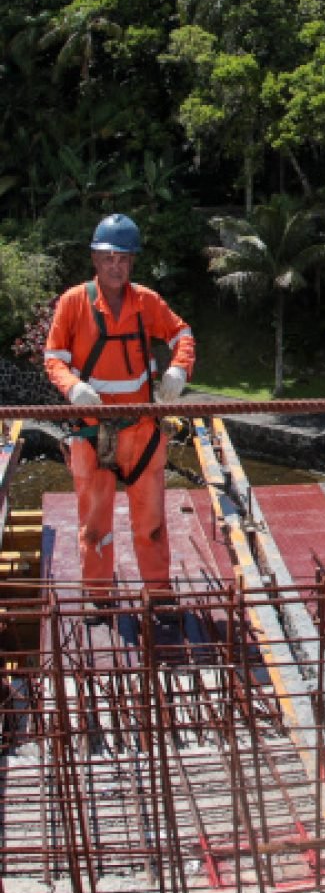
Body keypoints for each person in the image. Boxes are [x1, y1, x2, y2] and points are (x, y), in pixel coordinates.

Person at [44, 213, 196, 619]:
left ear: (132, 262)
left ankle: (158, 594)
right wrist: (72, 388)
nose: (116, 266)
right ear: (95, 259)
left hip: (142, 432)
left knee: (151, 523)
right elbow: (54, 358)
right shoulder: (74, 303)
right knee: (95, 525)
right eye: (109, 258)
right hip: (93, 433)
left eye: (124, 259)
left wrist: (179, 370)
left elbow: (182, 334)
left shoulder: (146, 302)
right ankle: (99, 596)